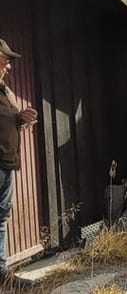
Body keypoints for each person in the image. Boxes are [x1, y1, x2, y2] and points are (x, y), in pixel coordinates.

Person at [0, 38, 38, 285]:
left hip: (7, 163)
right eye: (5, 59)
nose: (9, 66)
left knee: (1, 219)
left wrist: (21, 118)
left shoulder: (5, 89)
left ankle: (2, 276)